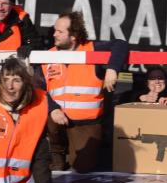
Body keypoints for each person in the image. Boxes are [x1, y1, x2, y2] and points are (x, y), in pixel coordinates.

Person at [40, 11, 129, 173]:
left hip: (86, 123)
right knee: (44, 113)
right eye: (55, 30)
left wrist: (112, 69)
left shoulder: (92, 49)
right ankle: (57, 154)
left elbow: (121, 44)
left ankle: (74, 154)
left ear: (73, 36)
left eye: (60, 31)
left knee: (82, 168)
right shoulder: (48, 55)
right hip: (57, 118)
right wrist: (53, 109)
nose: (54, 34)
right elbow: (39, 88)